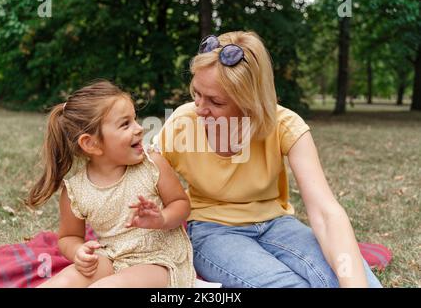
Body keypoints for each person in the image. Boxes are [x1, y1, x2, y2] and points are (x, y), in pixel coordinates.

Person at [153, 31, 382, 288]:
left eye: (215, 101)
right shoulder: (183, 122)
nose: (199, 107)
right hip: (213, 229)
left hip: (277, 224)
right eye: (196, 93)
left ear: (249, 102)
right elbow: (143, 175)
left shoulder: (285, 124)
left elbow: (326, 213)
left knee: (353, 278)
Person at [27, 80, 196, 288]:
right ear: (91, 144)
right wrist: (78, 251)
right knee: (62, 282)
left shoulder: (152, 165)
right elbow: (68, 237)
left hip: (159, 261)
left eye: (135, 119)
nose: (139, 129)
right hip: (112, 257)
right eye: (125, 124)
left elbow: (182, 204)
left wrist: (162, 218)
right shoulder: (75, 190)